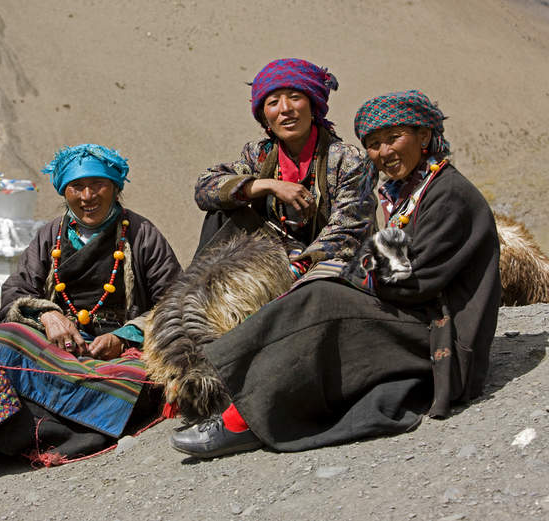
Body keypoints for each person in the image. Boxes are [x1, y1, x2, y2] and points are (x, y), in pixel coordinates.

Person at [170, 90, 501, 458]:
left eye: (394, 138)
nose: (385, 152)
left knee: (321, 300)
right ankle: (233, 389)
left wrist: (345, 273)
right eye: (374, 144)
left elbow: (410, 282)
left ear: (424, 136)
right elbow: (391, 261)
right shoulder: (410, 191)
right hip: (411, 308)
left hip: (441, 330)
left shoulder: (448, 193)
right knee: (311, 293)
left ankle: (246, 419)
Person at [0, 144, 181, 499]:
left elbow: (177, 301)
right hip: (58, 350)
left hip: (118, 356)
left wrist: (125, 335)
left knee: (141, 382)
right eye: (77, 187)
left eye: (98, 185)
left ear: (116, 188)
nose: (88, 197)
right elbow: (15, 293)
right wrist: (48, 314)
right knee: (0, 337)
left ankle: (3, 433)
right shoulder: (50, 236)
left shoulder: (141, 234)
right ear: (64, 191)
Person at [193, 58, 376, 277]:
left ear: (313, 106)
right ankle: (194, 292)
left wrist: (297, 268)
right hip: (277, 253)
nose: (285, 109)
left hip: (329, 264)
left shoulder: (348, 161)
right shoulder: (258, 154)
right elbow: (205, 187)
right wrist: (267, 185)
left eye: (295, 98)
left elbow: (349, 229)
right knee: (221, 212)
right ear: (265, 118)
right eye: (273, 103)